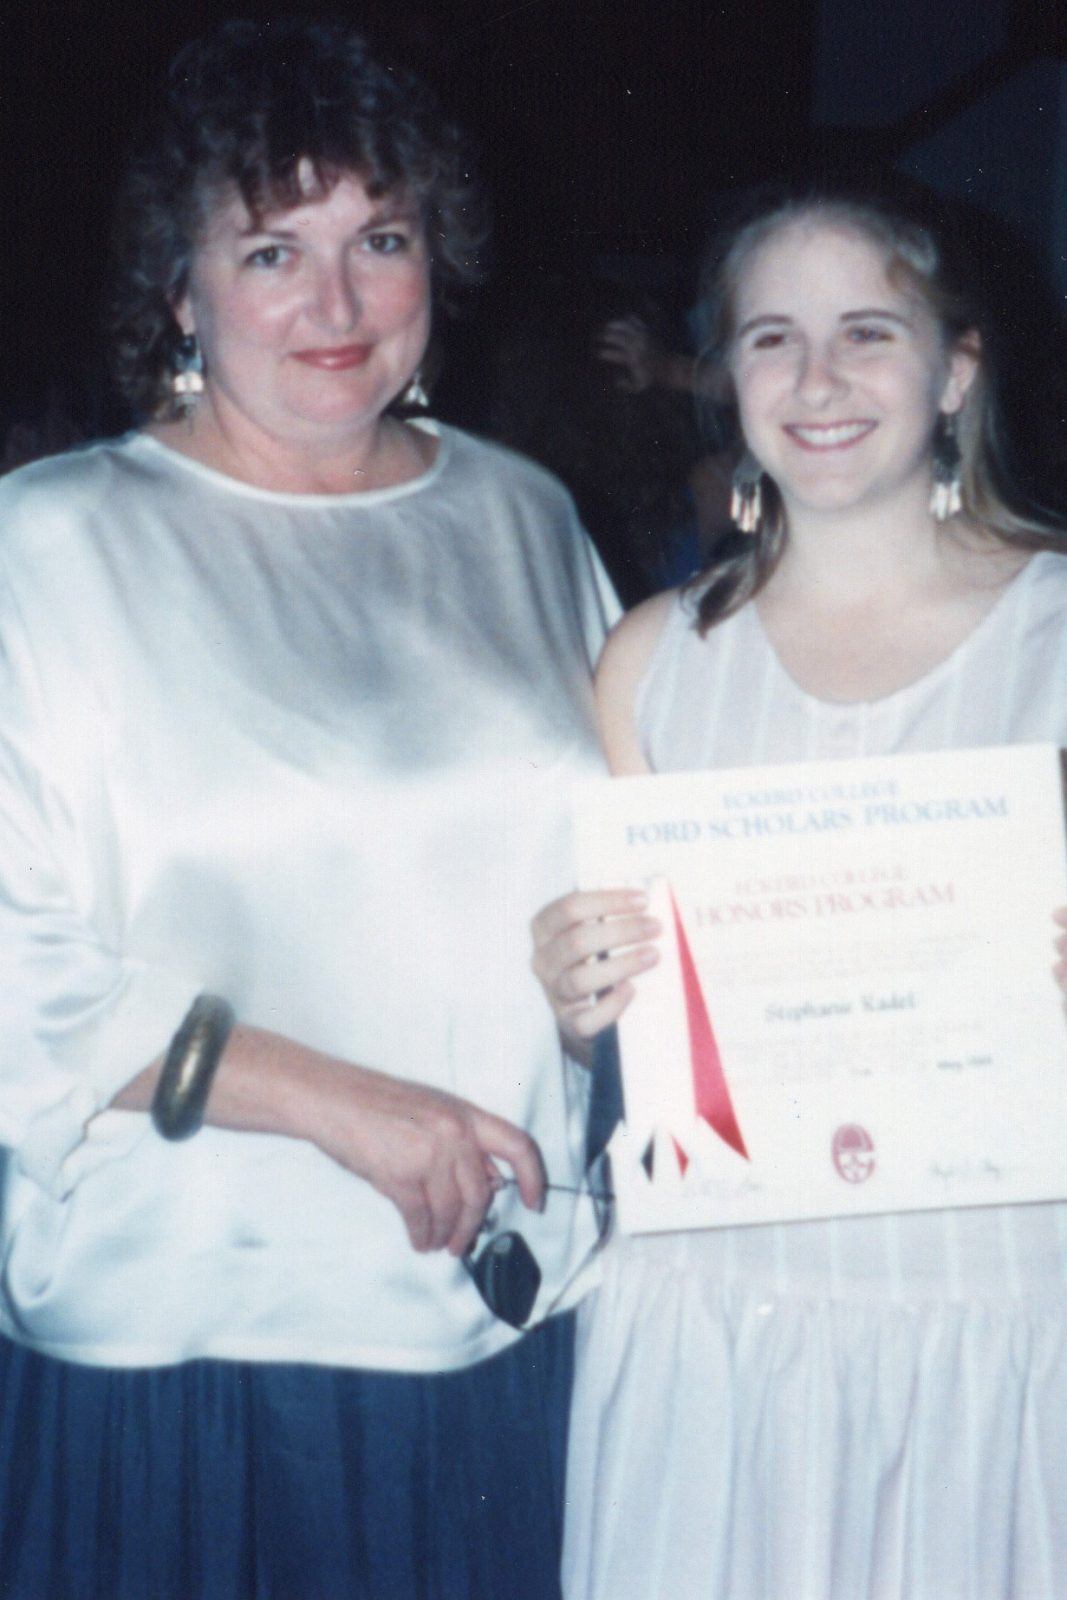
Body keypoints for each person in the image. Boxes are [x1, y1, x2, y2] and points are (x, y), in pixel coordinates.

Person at [0, 19, 616, 1600]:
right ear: (180, 286)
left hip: (503, 1312)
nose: (336, 304)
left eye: (381, 239)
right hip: (197, 1349)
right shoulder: (49, 547)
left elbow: (627, 870)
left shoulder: (524, 517)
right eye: (272, 247)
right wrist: (342, 1101)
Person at [532, 185, 1067, 1598]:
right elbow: (632, 1051)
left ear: (956, 370)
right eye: (773, 338)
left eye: (867, 332)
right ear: (729, 376)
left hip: (999, 1316)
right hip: (714, 1326)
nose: (817, 380)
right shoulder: (654, 660)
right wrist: (583, 991)